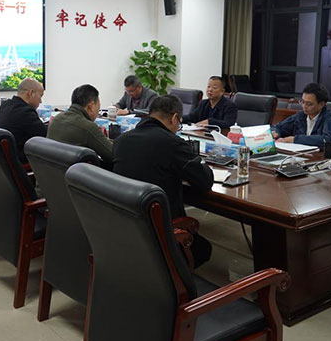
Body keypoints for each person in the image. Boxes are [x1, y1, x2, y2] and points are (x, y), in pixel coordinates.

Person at [113, 94, 214, 268]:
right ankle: (175, 281)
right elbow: (205, 181)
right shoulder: (172, 143)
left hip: (127, 227)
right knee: (204, 249)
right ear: (174, 118)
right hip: (160, 235)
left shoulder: (121, 141)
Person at [47, 84, 113, 167]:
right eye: (98, 108)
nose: (98, 112)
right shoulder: (89, 127)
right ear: (91, 106)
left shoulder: (56, 119)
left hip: (53, 171)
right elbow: (113, 155)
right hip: (77, 173)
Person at [271, 82, 331, 147]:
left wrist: (295, 139)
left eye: (309, 104)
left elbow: (329, 139)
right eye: (302, 102)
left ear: (321, 104)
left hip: (321, 155)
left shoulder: (330, 117)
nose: (304, 106)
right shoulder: (301, 115)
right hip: (301, 153)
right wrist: (276, 132)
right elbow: (279, 127)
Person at [0, 78, 47, 162]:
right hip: (23, 160)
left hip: (4, 159)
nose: (40, 101)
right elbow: (45, 134)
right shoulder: (25, 112)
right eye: (40, 96)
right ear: (31, 93)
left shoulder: (5, 105)